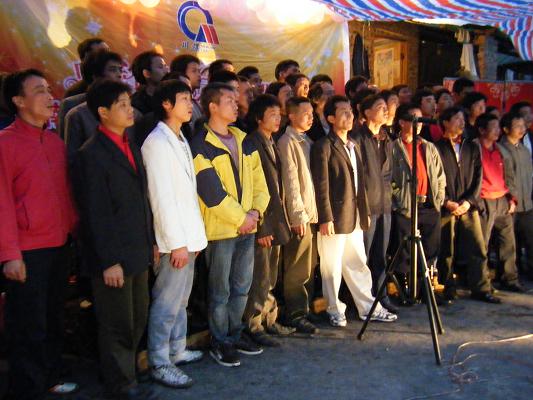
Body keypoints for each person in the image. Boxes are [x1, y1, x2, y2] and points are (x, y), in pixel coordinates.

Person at [72, 79, 157, 399]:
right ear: (103, 112)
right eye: (121, 105)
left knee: (137, 316)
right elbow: (96, 214)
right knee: (116, 322)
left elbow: (141, 200)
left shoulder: (130, 144)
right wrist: (109, 261)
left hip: (138, 249)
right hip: (113, 256)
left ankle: (129, 372)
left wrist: (151, 241)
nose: (129, 109)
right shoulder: (91, 154)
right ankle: (121, 383)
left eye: (128, 103)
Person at [0, 69, 78, 399]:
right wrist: (10, 254)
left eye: (48, 89)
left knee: (54, 316)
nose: (49, 97)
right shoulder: (5, 144)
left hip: (59, 244)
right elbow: (2, 203)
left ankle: (51, 375)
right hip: (27, 251)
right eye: (39, 91)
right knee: (28, 325)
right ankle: (27, 389)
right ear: (18, 101)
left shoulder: (54, 142)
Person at [189, 82, 270, 367]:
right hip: (222, 231)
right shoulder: (200, 144)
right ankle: (220, 340)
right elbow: (211, 193)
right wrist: (242, 219)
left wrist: (256, 212)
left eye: (236, 101)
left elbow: (260, 183)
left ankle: (235, 334)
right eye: (229, 101)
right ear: (212, 107)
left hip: (247, 226)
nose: (236, 105)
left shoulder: (243, 139)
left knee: (241, 286)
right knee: (220, 291)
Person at [141, 80, 206, 388]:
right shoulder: (156, 142)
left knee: (180, 300)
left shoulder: (179, 138)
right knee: (166, 303)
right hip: (174, 241)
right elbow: (161, 198)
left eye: (190, 98)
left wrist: (193, 238)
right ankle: (159, 361)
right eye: (183, 98)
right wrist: (176, 243)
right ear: (166, 104)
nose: (189, 103)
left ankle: (177, 349)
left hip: (187, 235)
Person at [311, 95, 397, 326]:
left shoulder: (353, 144)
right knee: (331, 267)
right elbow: (321, 185)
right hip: (334, 217)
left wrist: (364, 210)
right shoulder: (323, 146)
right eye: (343, 112)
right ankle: (334, 309)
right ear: (331, 118)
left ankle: (368, 307)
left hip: (355, 215)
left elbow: (360, 184)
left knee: (358, 262)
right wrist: (325, 217)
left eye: (350, 111)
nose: (349, 116)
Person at [243, 94, 295, 347]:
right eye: (272, 114)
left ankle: (269, 319)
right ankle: (254, 324)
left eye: (278, 114)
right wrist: (261, 226)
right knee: (259, 278)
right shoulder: (251, 142)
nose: (278, 118)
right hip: (263, 222)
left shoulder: (271, 141)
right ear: (258, 118)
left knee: (270, 277)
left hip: (276, 219)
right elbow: (254, 188)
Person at [434, 107, 500, 304]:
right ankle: (447, 287)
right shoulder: (436, 147)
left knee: (477, 247)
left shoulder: (471, 146)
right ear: (445, 122)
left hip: (468, 205)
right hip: (447, 206)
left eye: (463, 119)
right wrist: (446, 201)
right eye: (456, 119)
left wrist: (469, 201)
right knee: (446, 249)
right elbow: (435, 178)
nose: (461, 123)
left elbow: (478, 177)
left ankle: (481, 287)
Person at [390, 104, 446, 300]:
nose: (419, 124)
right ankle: (405, 290)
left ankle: (424, 290)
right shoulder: (393, 147)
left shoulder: (428, 147)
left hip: (428, 205)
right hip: (406, 206)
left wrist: (438, 198)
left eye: (421, 119)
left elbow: (439, 176)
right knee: (404, 250)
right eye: (415, 119)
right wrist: (398, 199)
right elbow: (389, 178)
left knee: (429, 249)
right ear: (402, 122)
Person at [350, 94, 396, 312]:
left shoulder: (387, 138)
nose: (385, 111)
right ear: (367, 112)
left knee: (380, 255)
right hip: (366, 205)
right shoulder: (357, 138)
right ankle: (361, 299)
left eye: (386, 107)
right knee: (363, 256)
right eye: (380, 107)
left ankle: (380, 296)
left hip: (384, 204)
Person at [277, 96, 319, 333]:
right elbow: (290, 181)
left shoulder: (307, 140)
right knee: (297, 267)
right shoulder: (287, 142)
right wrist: (297, 215)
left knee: (309, 266)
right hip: (299, 215)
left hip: (310, 212)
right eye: (305, 113)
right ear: (291, 116)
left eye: (312, 113)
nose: (311, 117)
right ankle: (295, 313)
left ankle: (305, 309)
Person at [475, 112, 524, 292]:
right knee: (482, 244)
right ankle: (482, 284)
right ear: (482, 130)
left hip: (502, 198)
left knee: (508, 242)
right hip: (484, 199)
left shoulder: (500, 150)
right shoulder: (474, 148)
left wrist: (512, 198)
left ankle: (510, 278)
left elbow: (508, 175)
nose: (497, 131)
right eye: (493, 127)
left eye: (498, 127)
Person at [498, 112, 533, 280]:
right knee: (509, 243)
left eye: (523, 126)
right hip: (510, 204)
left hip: (527, 203)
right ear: (506, 129)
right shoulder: (501, 149)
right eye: (517, 126)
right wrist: (511, 197)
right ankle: (509, 275)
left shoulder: (524, 150)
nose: (522, 129)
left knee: (530, 238)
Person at [58, 49, 123, 140]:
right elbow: (66, 143)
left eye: (120, 70)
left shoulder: (126, 105)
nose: (119, 75)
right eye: (112, 70)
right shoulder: (72, 105)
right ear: (95, 76)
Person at [130, 50, 169, 114]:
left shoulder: (174, 94)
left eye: (165, 66)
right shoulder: (136, 103)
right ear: (147, 73)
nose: (167, 70)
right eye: (160, 67)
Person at [170, 54, 203, 127]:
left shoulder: (195, 103)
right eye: (194, 71)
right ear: (181, 74)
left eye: (199, 71)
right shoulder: (176, 105)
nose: (199, 75)